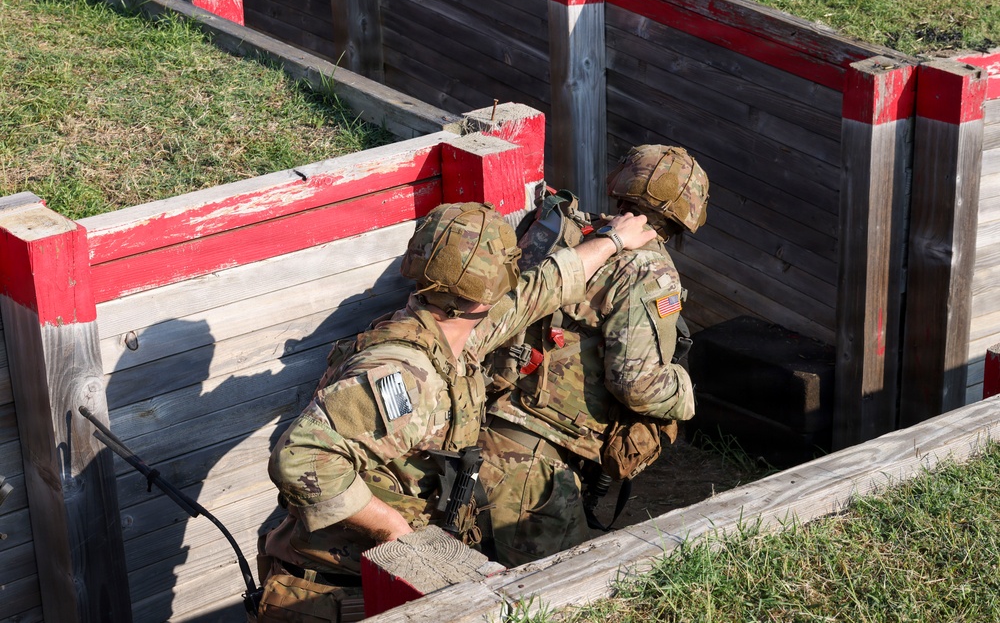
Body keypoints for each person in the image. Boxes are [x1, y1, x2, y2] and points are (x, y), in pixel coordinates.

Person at [258, 201, 655, 602]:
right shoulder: (411, 377)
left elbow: (538, 289)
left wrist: (613, 239)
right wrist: (392, 529)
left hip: (375, 579)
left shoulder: (451, 333)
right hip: (334, 592)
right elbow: (300, 458)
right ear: (492, 288)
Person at [478, 145, 710, 567]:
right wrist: (684, 391)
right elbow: (637, 385)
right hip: (535, 466)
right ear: (688, 213)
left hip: (486, 429)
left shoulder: (575, 232)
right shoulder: (649, 270)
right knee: (552, 587)